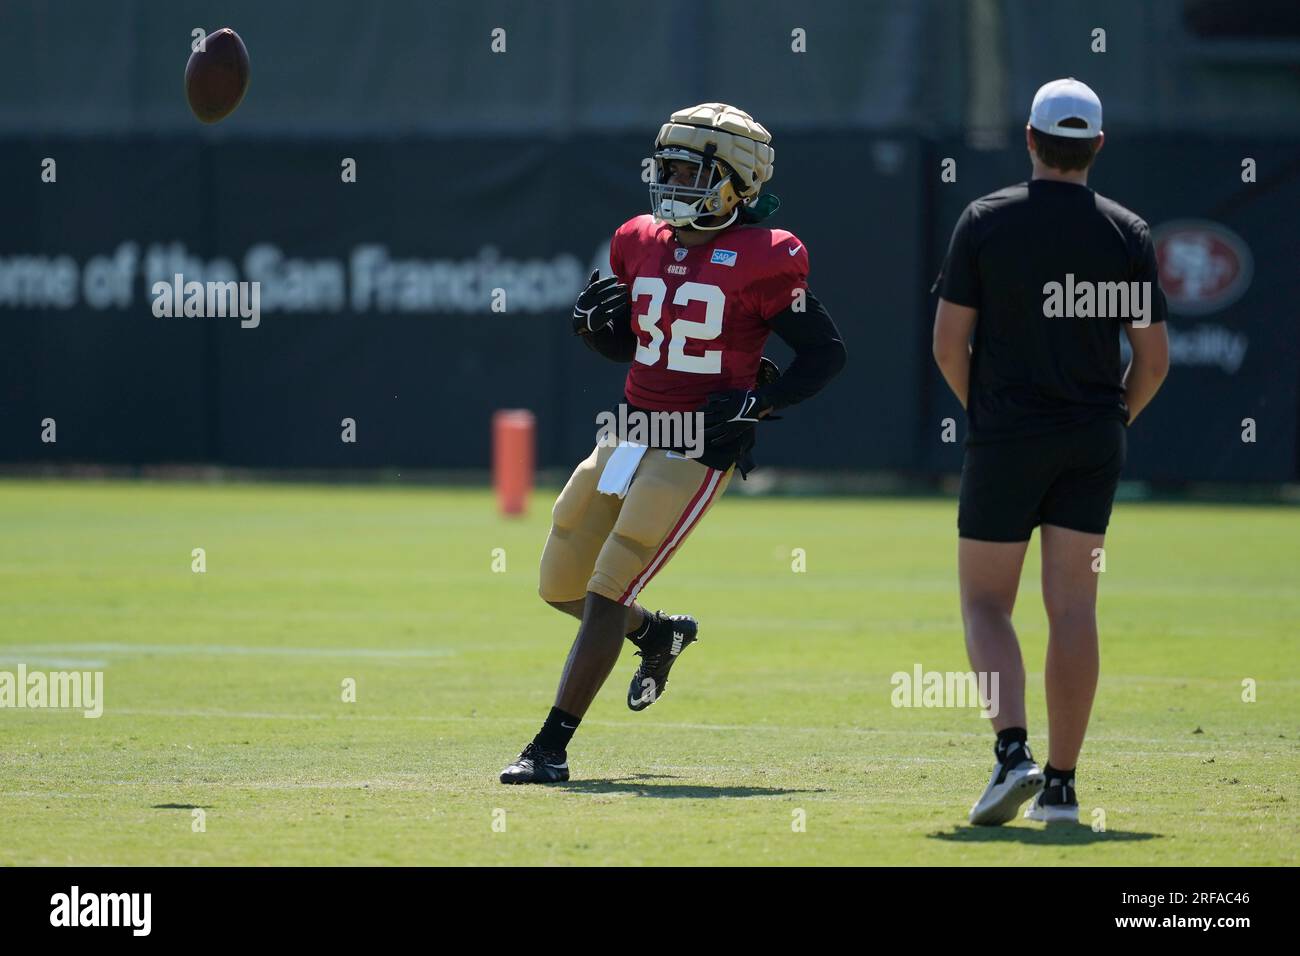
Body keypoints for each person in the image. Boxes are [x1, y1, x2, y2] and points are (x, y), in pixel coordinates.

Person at [501, 102, 846, 784]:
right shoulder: (639, 239)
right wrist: (608, 334)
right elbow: (653, 339)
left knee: (606, 586)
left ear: (737, 181)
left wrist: (761, 401)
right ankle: (657, 632)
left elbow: (825, 354)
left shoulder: (768, 256)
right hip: (630, 431)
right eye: (668, 168)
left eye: (691, 170)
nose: (673, 183)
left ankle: (549, 748)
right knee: (559, 582)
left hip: (696, 445)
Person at [931, 78, 1170, 824]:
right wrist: (1113, 422)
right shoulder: (1127, 231)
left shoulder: (985, 220)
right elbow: (1154, 360)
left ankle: (1012, 755)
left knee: (983, 602)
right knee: (1074, 608)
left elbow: (947, 345)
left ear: (1029, 140)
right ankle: (1061, 787)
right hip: (1093, 440)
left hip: (1007, 436)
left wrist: (991, 417)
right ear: (1097, 147)